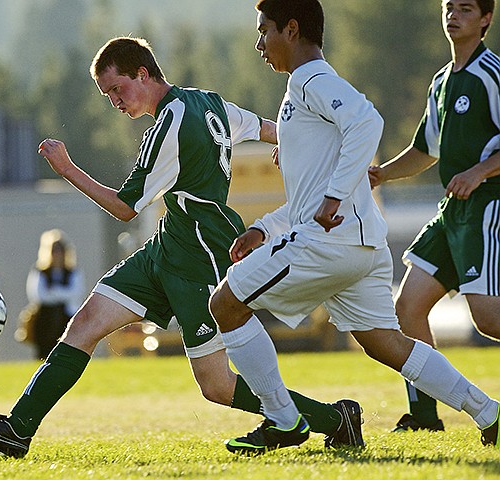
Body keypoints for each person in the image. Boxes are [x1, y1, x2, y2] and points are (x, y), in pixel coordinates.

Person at [0, 36, 364, 459]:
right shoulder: (207, 102)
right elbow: (262, 127)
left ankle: (334, 419)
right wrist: (290, 145)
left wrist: (67, 168)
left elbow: (124, 208)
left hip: (202, 256)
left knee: (217, 386)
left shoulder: (168, 126)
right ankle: (17, 429)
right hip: (168, 246)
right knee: (85, 324)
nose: (114, 100)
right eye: (107, 94)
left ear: (142, 73)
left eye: (116, 89)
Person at [208, 0, 500, 455]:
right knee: (384, 342)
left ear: (291, 29)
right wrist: (265, 228)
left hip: (331, 242)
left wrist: (334, 197)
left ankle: (284, 421)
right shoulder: (300, 91)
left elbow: (368, 121)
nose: (258, 43)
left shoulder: (313, 79)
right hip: (360, 244)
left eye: (264, 31)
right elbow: (312, 192)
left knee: (225, 303)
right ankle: (489, 412)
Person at [368, 0, 500, 432]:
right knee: (407, 307)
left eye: (465, 8)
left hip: (486, 208)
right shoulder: (441, 81)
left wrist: (479, 172)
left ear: (486, 19)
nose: (453, 15)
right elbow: (426, 150)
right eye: (448, 6)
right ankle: (425, 416)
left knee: (487, 320)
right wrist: (382, 175)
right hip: (450, 215)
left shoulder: (491, 75)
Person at [25, 229, 85, 360]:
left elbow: (76, 294)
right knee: (43, 354)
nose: (57, 254)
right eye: (54, 250)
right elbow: (38, 296)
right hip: (44, 319)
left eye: (60, 250)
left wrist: (54, 292)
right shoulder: (39, 272)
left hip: (66, 318)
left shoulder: (73, 272)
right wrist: (63, 294)